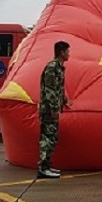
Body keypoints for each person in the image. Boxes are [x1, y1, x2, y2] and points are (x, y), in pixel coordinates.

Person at [37, 41, 71, 179]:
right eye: (68, 51)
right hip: (48, 110)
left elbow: (59, 89)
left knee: (53, 138)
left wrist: (65, 101)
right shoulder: (52, 68)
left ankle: (47, 165)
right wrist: (53, 109)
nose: (69, 54)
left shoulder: (60, 68)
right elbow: (50, 90)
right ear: (62, 52)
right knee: (47, 138)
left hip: (54, 108)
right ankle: (43, 168)